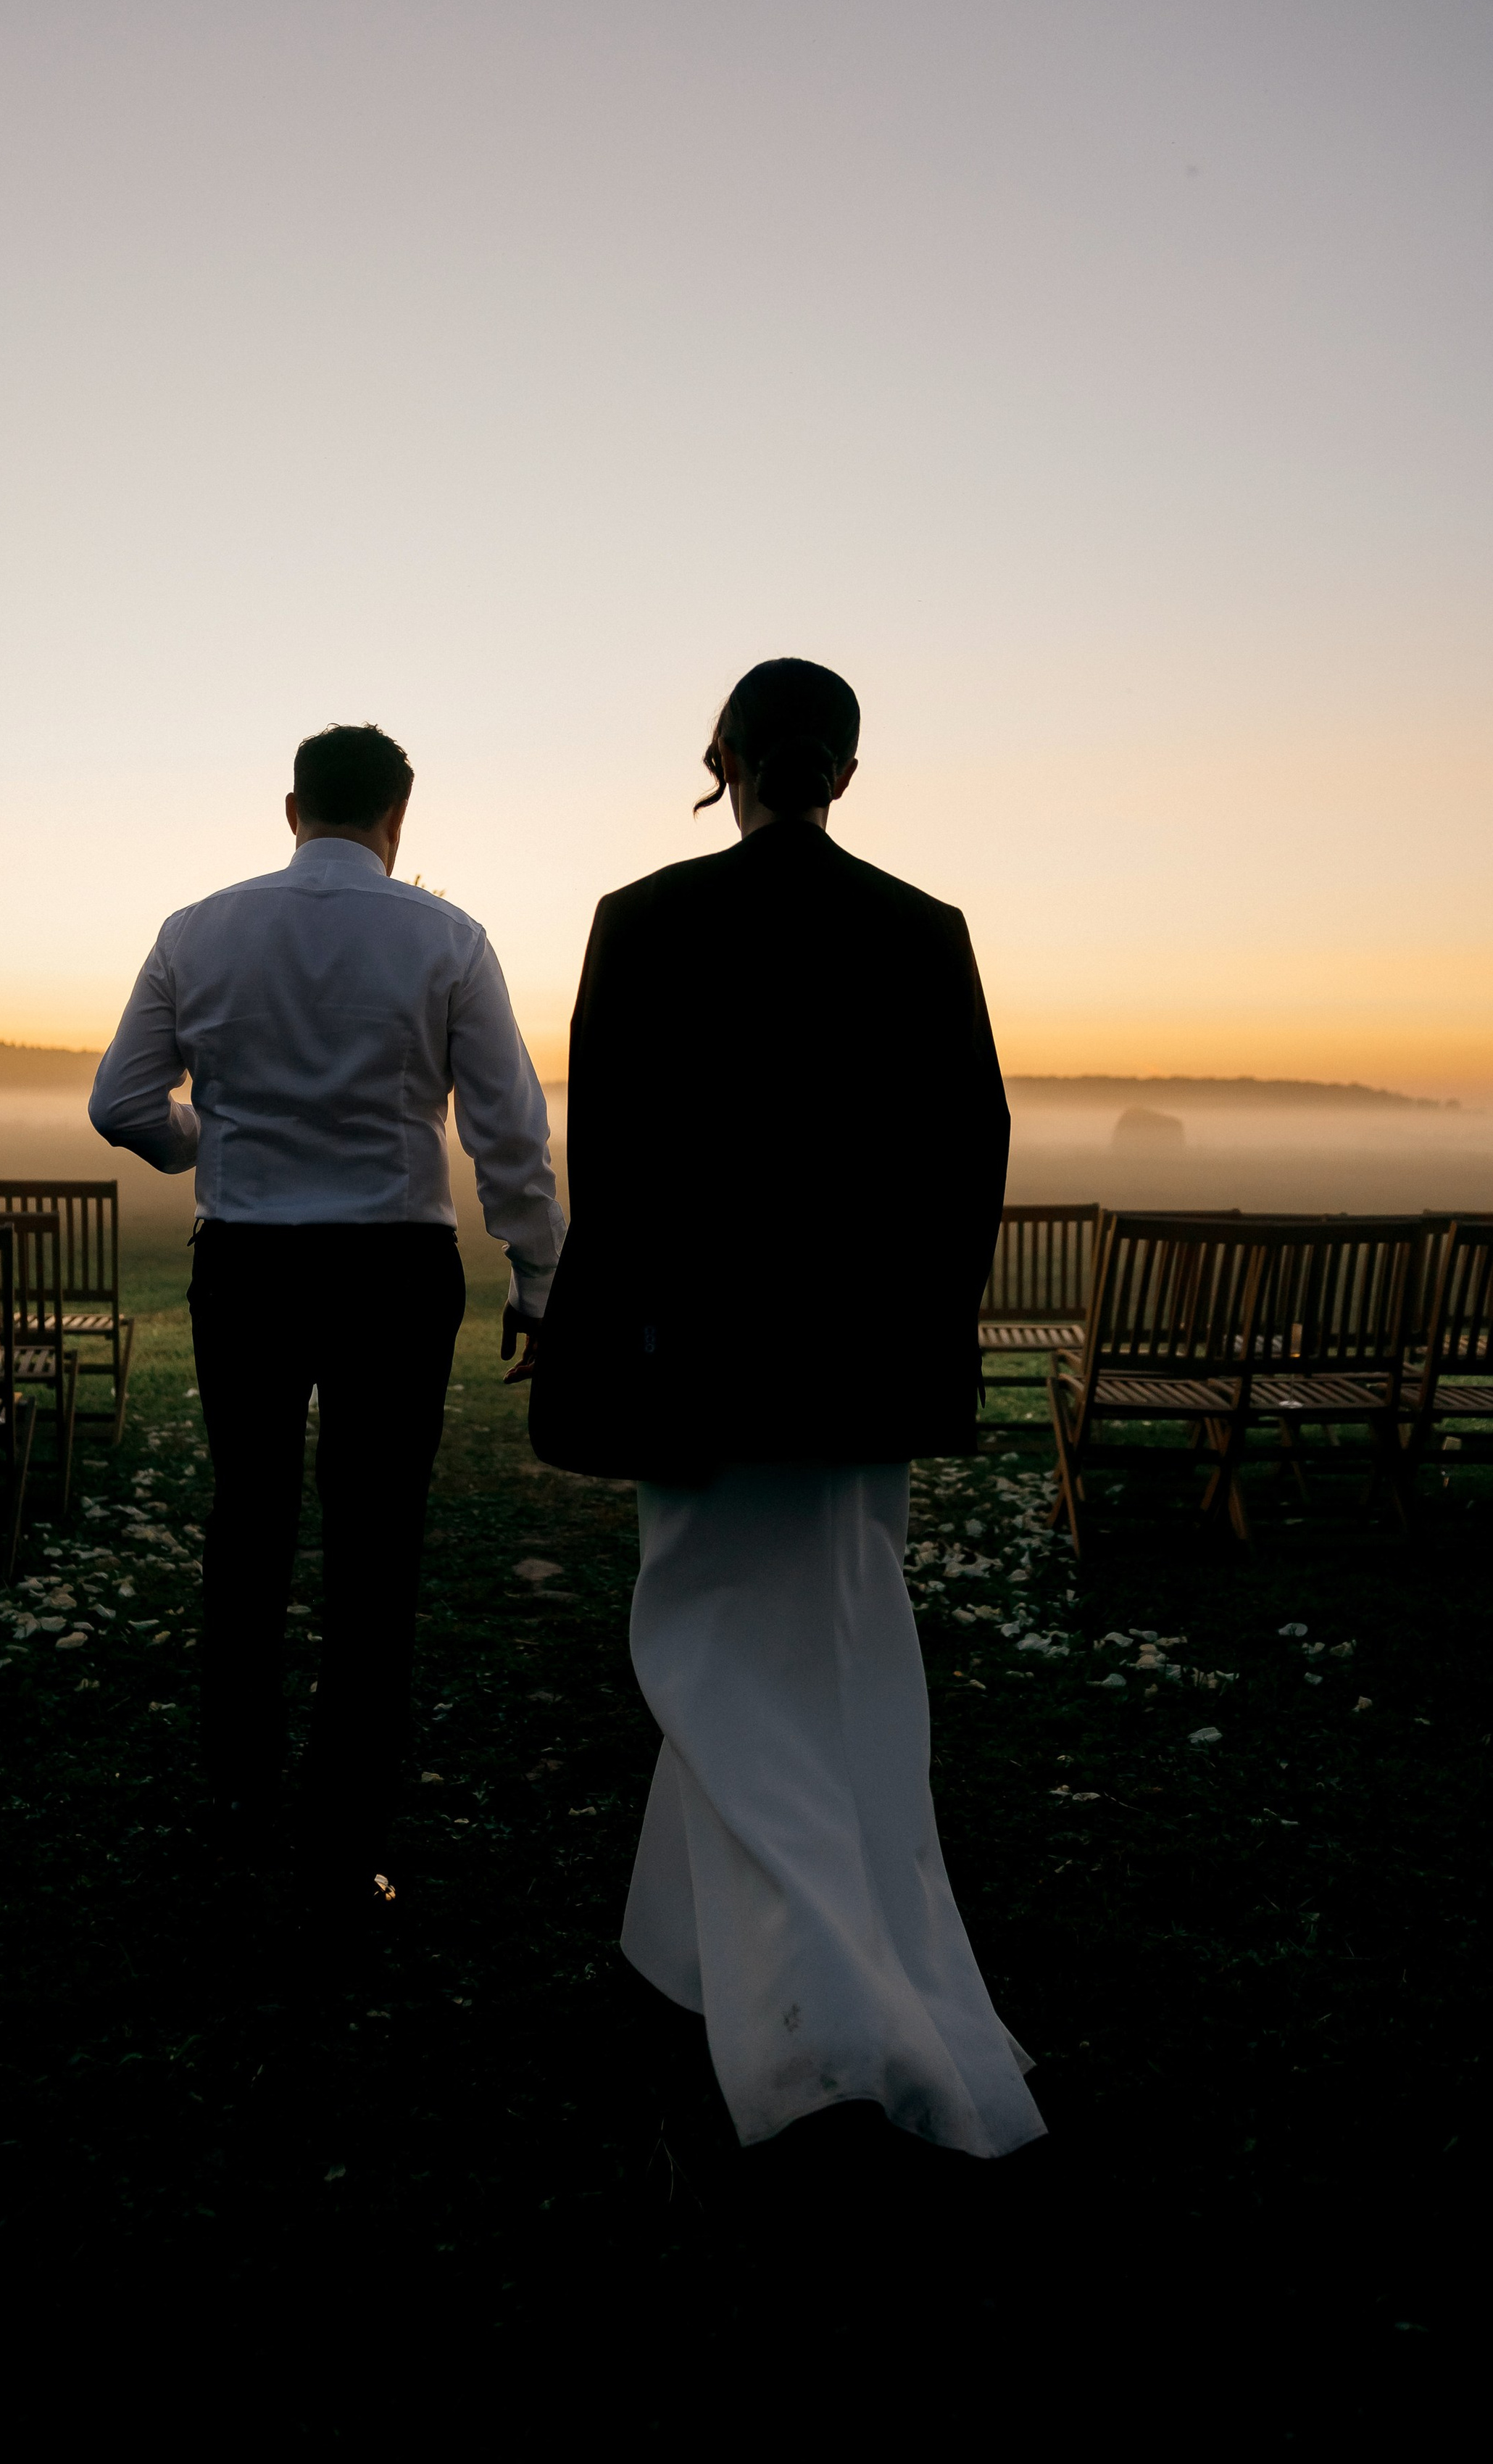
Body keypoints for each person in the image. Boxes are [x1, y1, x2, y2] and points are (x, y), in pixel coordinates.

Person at [530, 658, 1044, 2162]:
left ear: (722, 760)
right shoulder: (922, 930)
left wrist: (608, 1347)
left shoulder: (643, 921)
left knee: (712, 1653)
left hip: (695, 1365)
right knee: (835, 1641)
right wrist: (913, 1348)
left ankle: (825, 2027)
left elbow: (612, 1169)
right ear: (844, 773)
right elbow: (969, 1154)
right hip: (858, 1377)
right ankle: (690, 1953)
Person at [91, 722, 562, 1882]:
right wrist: (537, 1273)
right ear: (399, 818)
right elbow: (509, 1131)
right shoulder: (450, 939)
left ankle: (240, 1795)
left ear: (290, 809)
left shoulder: (195, 931)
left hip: (245, 1264)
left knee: (247, 1524)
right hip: (394, 1270)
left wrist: (203, 1133)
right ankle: (346, 1830)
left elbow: (120, 1102)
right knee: (374, 1542)